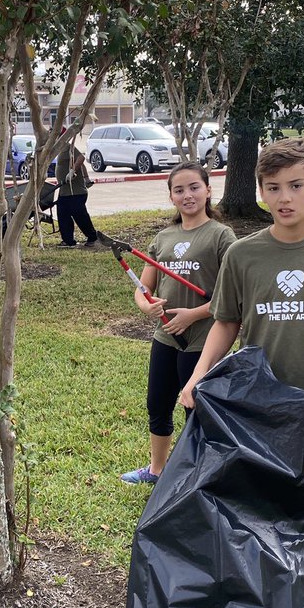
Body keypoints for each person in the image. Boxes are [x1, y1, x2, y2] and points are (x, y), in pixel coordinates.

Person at [179, 135, 304, 410]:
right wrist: (199, 372)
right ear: (261, 191)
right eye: (273, 188)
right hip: (255, 396)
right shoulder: (241, 255)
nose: (285, 198)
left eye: (296, 185)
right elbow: (226, 321)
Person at [120, 163, 236, 485]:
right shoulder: (163, 237)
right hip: (165, 338)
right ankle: (157, 470)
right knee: (157, 405)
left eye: (194, 187)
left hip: (201, 340)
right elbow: (143, 289)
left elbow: (231, 297)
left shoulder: (220, 235)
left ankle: (195, 477)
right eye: (179, 190)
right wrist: (147, 306)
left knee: (194, 412)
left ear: (208, 190)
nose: (188, 195)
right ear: (171, 196)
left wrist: (193, 314)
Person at [55, 126, 98, 248]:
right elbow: (80, 163)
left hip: (76, 191)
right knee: (63, 214)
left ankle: (93, 237)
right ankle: (68, 241)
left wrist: (72, 171)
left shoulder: (69, 147)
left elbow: (81, 158)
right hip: (65, 191)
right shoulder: (60, 149)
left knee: (80, 215)